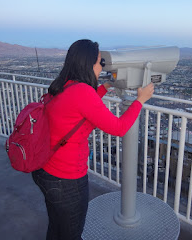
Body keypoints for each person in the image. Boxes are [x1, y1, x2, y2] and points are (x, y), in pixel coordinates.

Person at [32, 39, 154, 240]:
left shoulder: (65, 85)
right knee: (71, 234)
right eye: (100, 62)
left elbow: (80, 104)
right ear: (88, 64)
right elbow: (119, 128)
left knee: (56, 228)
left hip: (46, 171)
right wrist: (140, 100)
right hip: (66, 180)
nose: (102, 66)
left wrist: (106, 85)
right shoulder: (82, 92)